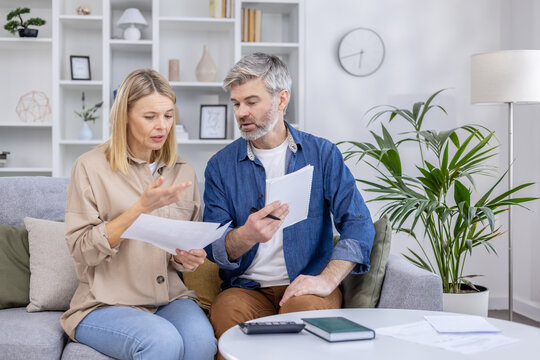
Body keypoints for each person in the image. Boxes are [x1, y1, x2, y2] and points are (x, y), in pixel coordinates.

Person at [203, 53, 376, 348]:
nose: (241, 112)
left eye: (251, 101)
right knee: (226, 312)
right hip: (248, 289)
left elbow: (359, 226)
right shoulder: (220, 166)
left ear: (282, 99)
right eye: (236, 103)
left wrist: (325, 281)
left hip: (306, 285)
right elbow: (213, 245)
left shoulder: (322, 155)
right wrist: (246, 235)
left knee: (301, 318)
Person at [60, 69, 217, 360]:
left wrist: (187, 259)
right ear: (125, 116)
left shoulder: (183, 170)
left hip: (169, 297)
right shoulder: (89, 167)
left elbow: (180, 251)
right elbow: (82, 250)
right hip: (105, 303)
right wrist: (138, 210)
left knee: (201, 343)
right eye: (150, 117)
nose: (162, 126)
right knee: (163, 341)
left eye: (168, 115)